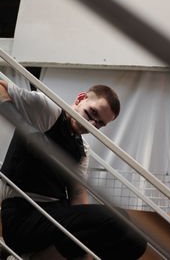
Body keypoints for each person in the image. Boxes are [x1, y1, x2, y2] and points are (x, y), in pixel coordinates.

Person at [0, 80, 147, 260]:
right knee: (116, 218)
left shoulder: (81, 150)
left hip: (54, 215)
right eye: (92, 113)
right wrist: (27, 129)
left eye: (100, 124)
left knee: (136, 242)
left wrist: (89, 242)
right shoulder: (49, 111)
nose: (92, 124)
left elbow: (78, 197)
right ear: (80, 99)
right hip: (23, 218)